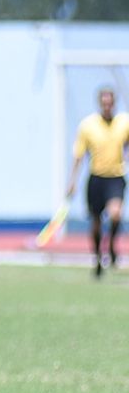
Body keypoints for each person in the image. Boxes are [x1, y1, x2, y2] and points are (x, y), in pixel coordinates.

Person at [68, 86, 128, 278]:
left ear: (114, 103)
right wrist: (72, 181)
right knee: (95, 222)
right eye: (104, 103)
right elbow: (78, 155)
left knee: (116, 214)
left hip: (116, 177)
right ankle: (97, 258)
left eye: (110, 103)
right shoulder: (88, 126)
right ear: (100, 104)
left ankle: (111, 244)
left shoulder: (124, 123)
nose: (108, 107)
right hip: (96, 178)